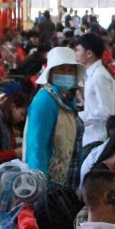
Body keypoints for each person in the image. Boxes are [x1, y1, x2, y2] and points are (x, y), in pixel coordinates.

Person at [23, 46, 85, 189]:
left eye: (70, 70)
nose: (66, 74)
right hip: (50, 187)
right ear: (50, 73)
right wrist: (40, 188)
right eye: (61, 69)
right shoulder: (45, 100)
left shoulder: (67, 98)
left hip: (67, 183)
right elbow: (37, 147)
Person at [76, 32, 115, 157]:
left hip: (97, 137)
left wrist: (80, 117)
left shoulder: (99, 76)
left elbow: (107, 111)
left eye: (78, 50)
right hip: (94, 133)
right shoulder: (94, 73)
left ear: (88, 53)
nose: (75, 54)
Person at [0, 91, 27, 167]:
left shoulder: (7, 125)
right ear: (12, 107)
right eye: (21, 114)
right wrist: (14, 153)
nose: (22, 119)